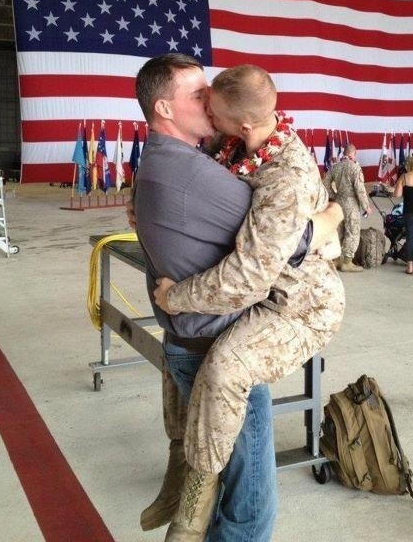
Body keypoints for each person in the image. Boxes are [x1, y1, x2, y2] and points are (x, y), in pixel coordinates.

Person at [132, 54, 343, 542]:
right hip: (254, 301)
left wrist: (321, 226)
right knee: (194, 361)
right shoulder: (223, 149)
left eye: (212, 99)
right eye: (199, 95)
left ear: (243, 122)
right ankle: (185, 474)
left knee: (227, 367)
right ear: (165, 108)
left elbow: (255, 267)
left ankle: (193, 494)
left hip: (296, 304)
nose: (208, 105)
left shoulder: (282, 172)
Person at [322, 142, 372, 271]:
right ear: (353, 154)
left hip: (338, 202)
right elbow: (360, 189)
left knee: (339, 230)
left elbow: (325, 183)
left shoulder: (335, 167)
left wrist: (334, 196)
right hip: (351, 203)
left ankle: (336, 258)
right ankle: (346, 261)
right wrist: (366, 206)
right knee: (352, 231)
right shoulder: (355, 168)